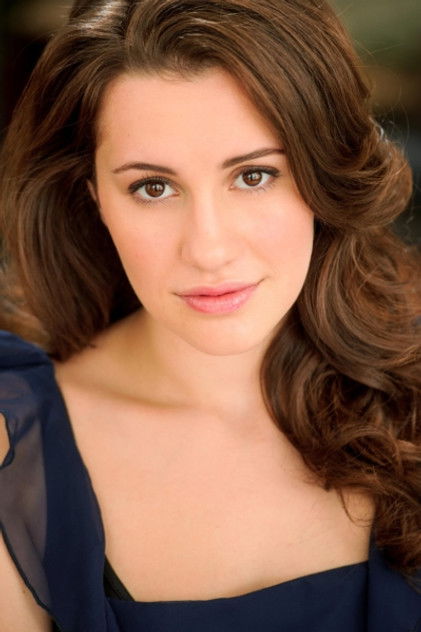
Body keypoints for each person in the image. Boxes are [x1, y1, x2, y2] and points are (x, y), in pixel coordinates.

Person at [0, 0, 420, 630]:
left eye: (254, 176)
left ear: (324, 174)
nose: (209, 249)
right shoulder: (15, 452)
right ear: (94, 198)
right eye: (153, 187)